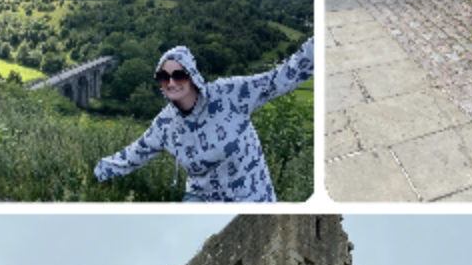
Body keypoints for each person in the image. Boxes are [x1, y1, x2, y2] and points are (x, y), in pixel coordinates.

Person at [95, 38, 314, 202]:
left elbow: (281, 78)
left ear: (192, 75)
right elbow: (135, 154)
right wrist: (98, 171)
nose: (171, 83)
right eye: (164, 78)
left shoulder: (231, 93)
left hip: (252, 196)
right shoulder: (165, 124)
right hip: (201, 200)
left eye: (179, 75)